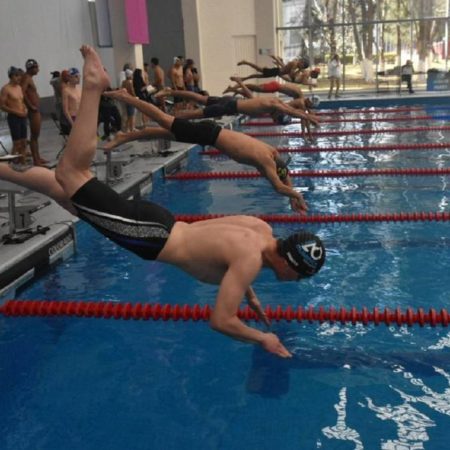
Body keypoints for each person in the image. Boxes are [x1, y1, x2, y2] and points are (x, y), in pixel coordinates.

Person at [53, 45, 326, 357]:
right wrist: (263, 339)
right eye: (300, 275)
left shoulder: (260, 230)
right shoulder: (250, 260)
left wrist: (250, 298)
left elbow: (230, 252)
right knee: (71, 173)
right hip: (148, 236)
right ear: (291, 264)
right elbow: (221, 321)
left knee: (67, 192)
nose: (295, 281)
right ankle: (92, 86)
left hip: (161, 223)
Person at [104, 89, 310, 214]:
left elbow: (284, 176)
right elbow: (278, 186)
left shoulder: (271, 152)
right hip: (209, 134)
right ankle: (127, 98)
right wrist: (296, 196)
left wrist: (292, 194)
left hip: (211, 133)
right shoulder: (266, 162)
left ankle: (127, 136)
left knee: (165, 133)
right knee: (164, 120)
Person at [154, 81, 319, 129]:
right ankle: (161, 117)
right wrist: (308, 117)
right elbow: (292, 112)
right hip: (228, 107)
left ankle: (170, 92)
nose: (273, 121)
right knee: (194, 115)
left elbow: (249, 96)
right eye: (276, 121)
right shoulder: (275, 107)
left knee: (199, 98)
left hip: (230, 103)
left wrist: (239, 83)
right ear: (278, 116)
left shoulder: (273, 102)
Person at [21, 58, 47, 165]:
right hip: (33, 111)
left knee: (35, 136)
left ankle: (38, 157)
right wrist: (31, 106)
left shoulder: (29, 78)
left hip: (35, 110)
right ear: (31, 68)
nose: (38, 69)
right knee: (34, 136)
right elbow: (21, 93)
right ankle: (36, 160)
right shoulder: (26, 78)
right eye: (37, 67)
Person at [0, 67, 28, 164]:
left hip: (23, 117)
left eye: (19, 75)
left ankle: (23, 162)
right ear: (11, 76)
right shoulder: (5, 89)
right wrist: (17, 112)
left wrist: (25, 108)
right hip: (14, 118)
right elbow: (2, 106)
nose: (19, 77)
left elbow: (21, 101)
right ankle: (11, 163)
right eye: (16, 76)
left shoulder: (19, 87)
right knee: (17, 144)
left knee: (24, 143)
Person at [237, 56, 309, 82]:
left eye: (303, 67)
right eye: (303, 66)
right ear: (302, 63)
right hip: (276, 71)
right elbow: (290, 74)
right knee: (258, 70)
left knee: (258, 75)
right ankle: (246, 62)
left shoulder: (296, 65)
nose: (302, 67)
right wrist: (278, 61)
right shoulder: (295, 64)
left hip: (276, 72)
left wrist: (279, 61)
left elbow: (287, 70)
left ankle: (243, 78)